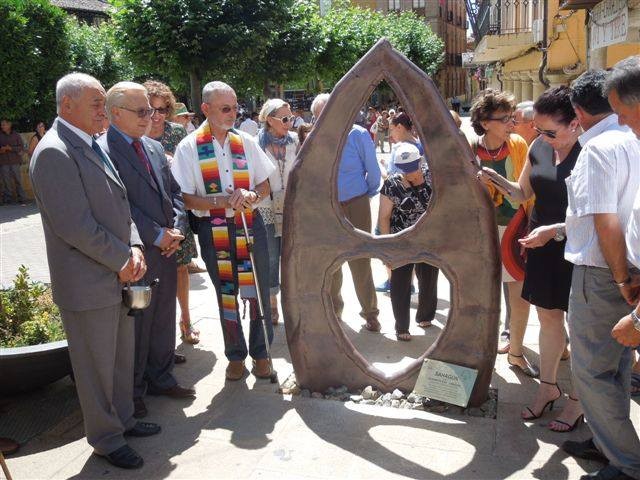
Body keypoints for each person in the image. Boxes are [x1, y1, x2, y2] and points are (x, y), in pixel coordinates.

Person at [30, 72, 159, 470]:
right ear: (66, 105)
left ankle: (122, 422)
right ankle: (105, 439)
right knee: (96, 369)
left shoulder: (87, 142)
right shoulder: (54, 151)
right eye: (96, 102)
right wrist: (123, 257)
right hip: (88, 285)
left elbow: (120, 206)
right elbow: (75, 227)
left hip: (114, 275)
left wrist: (134, 245)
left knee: (119, 361)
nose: (103, 109)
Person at [477, 86, 581, 430]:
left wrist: (554, 230)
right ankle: (548, 389)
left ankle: (577, 402)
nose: (541, 137)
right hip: (541, 245)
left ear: (575, 123)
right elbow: (523, 192)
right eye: (538, 129)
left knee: (579, 329)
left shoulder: (589, 152)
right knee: (549, 321)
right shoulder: (538, 146)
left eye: (550, 131)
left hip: (579, 247)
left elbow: (598, 215)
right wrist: (494, 178)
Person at [561, 62, 640, 480]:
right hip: (623, 268)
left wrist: (620, 278)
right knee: (617, 365)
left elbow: (605, 219)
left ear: (578, 109)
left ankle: (627, 462)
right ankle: (609, 441)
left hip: (603, 271)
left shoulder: (598, 147)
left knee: (591, 371)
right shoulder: (628, 137)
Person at [99, 81, 195, 420]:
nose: (150, 117)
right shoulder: (103, 152)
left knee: (163, 317)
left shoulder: (152, 147)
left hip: (167, 250)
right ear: (115, 114)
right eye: (142, 111)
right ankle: (134, 391)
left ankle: (161, 377)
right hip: (137, 252)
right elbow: (118, 205)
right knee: (136, 324)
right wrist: (155, 235)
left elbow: (175, 193)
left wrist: (178, 229)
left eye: (152, 110)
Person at [172, 81, 275, 381]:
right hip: (212, 227)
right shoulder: (189, 147)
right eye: (225, 108)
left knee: (257, 288)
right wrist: (216, 201)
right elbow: (184, 196)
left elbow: (265, 184)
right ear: (205, 109)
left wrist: (252, 196)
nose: (233, 114)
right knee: (226, 293)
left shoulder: (246, 141)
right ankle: (235, 356)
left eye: (235, 107)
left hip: (249, 223)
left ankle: (261, 353)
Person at [469, 89, 536, 377]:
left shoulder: (519, 144)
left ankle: (517, 351)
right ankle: (481, 347)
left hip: (515, 227)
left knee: (519, 292)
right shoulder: (471, 149)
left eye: (512, 117)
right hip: (480, 232)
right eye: (506, 118)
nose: (512, 122)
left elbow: (525, 192)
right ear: (485, 122)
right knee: (483, 291)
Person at [311, 93, 382, 331]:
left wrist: (364, 195)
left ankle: (370, 313)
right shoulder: (314, 136)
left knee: (361, 258)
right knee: (331, 261)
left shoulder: (357, 134)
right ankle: (334, 312)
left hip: (355, 203)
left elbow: (373, 171)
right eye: (318, 117)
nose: (323, 120)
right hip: (326, 206)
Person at [144, 80, 202, 348]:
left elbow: (190, 170)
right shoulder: (136, 133)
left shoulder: (177, 133)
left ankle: (186, 323)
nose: (157, 116)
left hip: (176, 210)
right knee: (152, 273)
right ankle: (157, 332)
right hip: (147, 214)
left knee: (180, 269)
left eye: (163, 109)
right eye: (151, 109)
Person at [378, 143, 436, 341]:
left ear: (420, 160)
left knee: (428, 278)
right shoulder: (392, 185)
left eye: (414, 167)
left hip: (429, 238)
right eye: (406, 169)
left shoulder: (432, 175)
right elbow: (384, 217)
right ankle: (402, 326)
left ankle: (425, 315)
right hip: (401, 238)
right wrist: (387, 245)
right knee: (400, 283)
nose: (412, 173)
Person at [256, 99, 299, 325]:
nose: (289, 122)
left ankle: (292, 303)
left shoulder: (295, 141)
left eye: (290, 117)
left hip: (291, 209)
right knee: (271, 257)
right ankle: (272, 304)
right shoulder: (256, 144)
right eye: (284, 118)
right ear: (269, 120)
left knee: (292, 257)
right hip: (267, 208)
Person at [0, 119, 27, 205]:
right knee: (6, 182)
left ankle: (22, 198)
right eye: (2, 125)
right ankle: (8, 199)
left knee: (18, 181)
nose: (2, 126)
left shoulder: (16, 135)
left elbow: (21, 148)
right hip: (4, 162)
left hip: (15, 161)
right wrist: (2, 150)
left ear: (9, 125)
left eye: (4, 124)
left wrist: (11, 148)